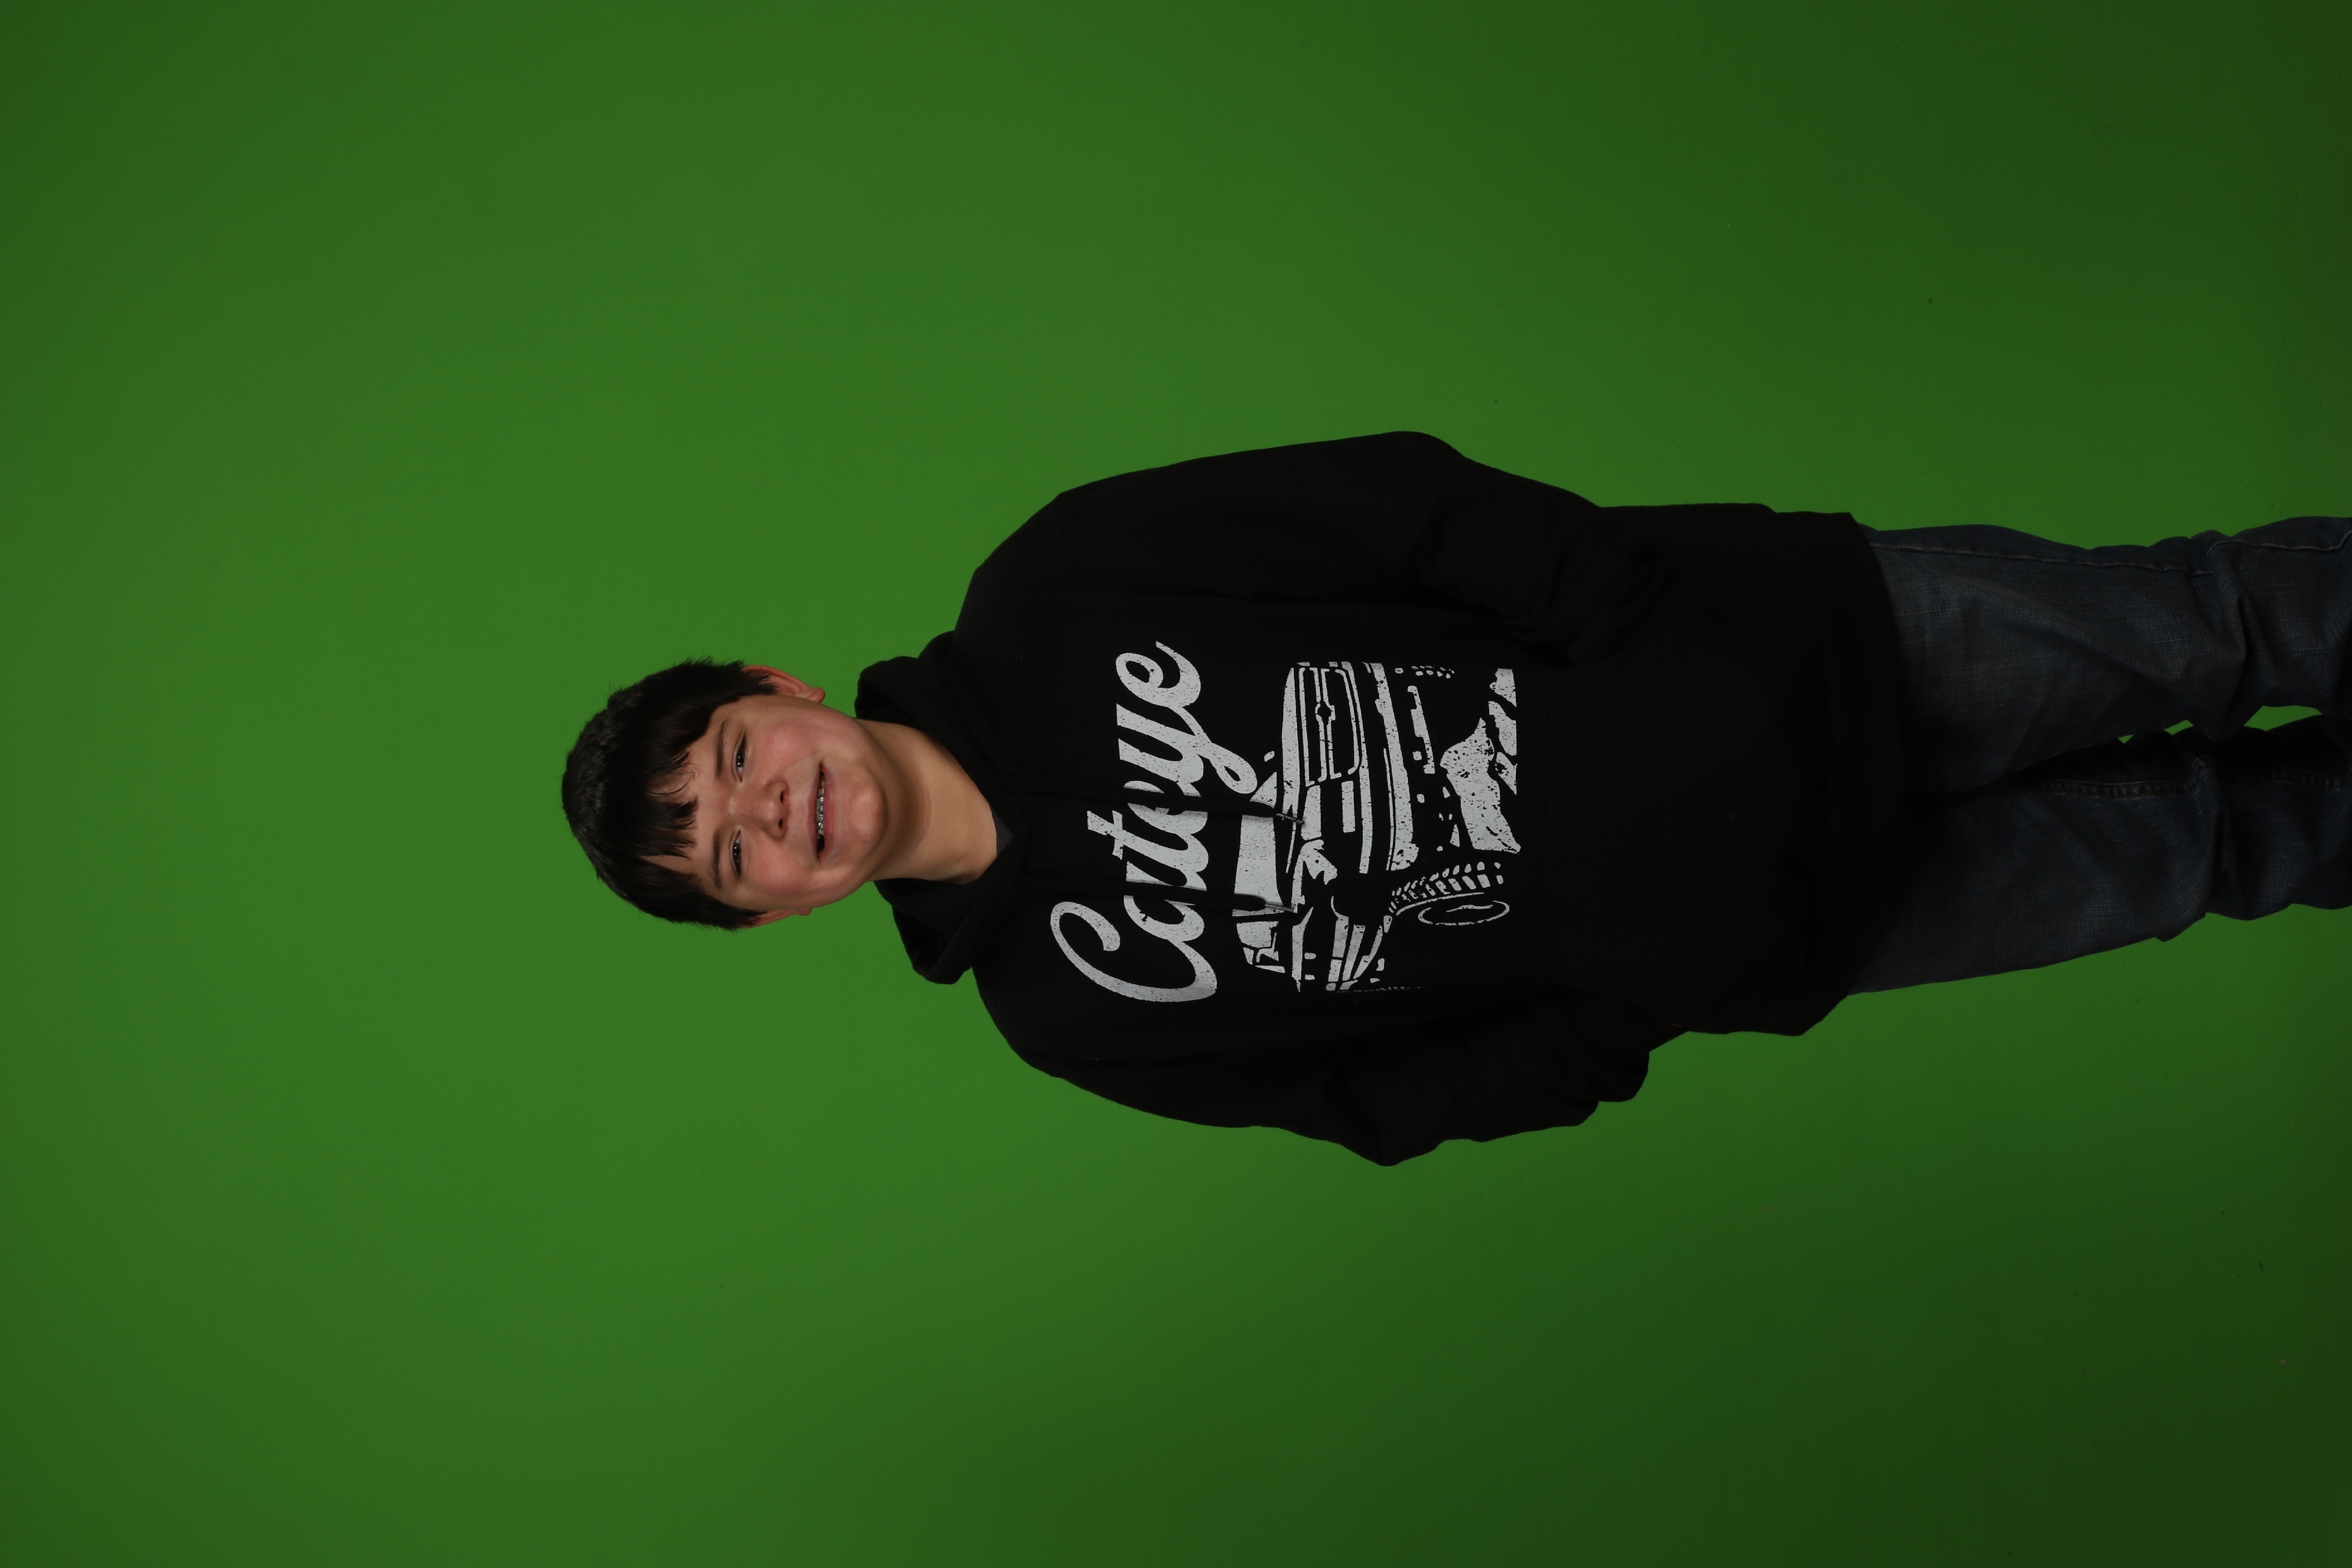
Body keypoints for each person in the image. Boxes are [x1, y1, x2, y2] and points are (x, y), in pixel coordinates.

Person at [561, 433, 2351, 1164]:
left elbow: (1388, 503)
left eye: (737, 760)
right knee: (2218, 850)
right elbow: (1383, 1100)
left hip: (1811, 647)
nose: (773, 814)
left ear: (780, 691)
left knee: (2222, 624)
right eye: (731, 858)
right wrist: (1639, 997)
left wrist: (1646, 631)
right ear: (763, 914)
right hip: (1811, 923)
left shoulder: (1048, 589)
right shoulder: (1065, 1013)